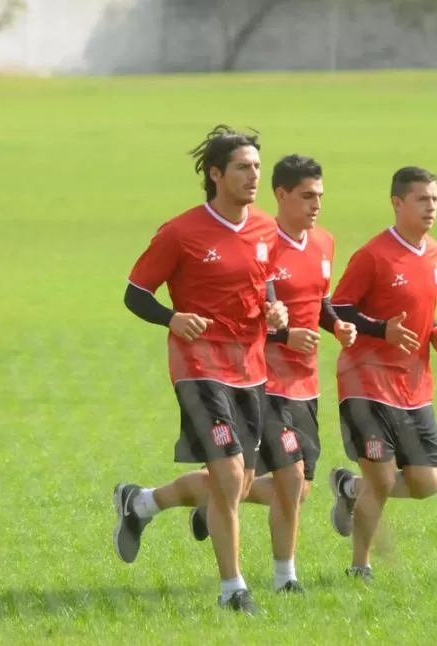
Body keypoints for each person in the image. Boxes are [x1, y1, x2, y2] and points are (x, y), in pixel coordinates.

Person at [113, 125, 288, 614]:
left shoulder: (266, 228)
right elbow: (135, 293)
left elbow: (267, 283)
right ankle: (234, 589)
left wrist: (277, 313)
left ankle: (141, 503)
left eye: (256, 166)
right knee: (231, 477)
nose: (253, 175)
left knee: (238, 483)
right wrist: (173, 317)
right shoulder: (180, 232)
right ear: (215, 174)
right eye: (242, 167)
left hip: (250, 368)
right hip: (198, 366)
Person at [183, 155, 358, 593]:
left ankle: (149, 502)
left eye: (320, 195)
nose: (316, 204)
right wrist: (284, 339)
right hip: (263, 379)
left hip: (306, 383)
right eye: (306, 196)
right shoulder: (262, 243)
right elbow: (248, 317)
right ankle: (286, 579)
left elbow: (318, 300)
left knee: (292, 490)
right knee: (288, 477)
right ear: (281, 196)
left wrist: (335, 324)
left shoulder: (324, 243)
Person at [325, 166, 437, 581]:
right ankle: (359, 566)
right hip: (366, 380)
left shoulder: (434, 252)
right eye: (422, 199)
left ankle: (349, 490)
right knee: (380, 477)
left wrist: (433, 333)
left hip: (413, 385)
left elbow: (421, 308)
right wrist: (381, 330)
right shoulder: (373, 255)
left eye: (434, 198)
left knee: (427, 481)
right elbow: (337, 307)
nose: (430, 206)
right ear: (398, 203)